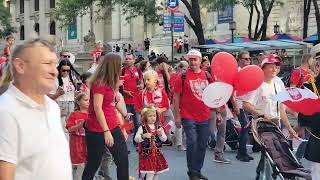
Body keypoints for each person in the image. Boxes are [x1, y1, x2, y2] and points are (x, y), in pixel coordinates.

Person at [0, 38, 72, 179]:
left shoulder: (52, 107)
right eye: (47, 63)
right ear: (20, 66)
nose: (55, 71)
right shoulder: (5, 112)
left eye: (55, 64)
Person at [242, 55, 298, 179]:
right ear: (263, 68)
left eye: (277, 67)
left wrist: (289, 128)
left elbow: (281, 108)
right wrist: (259, 113)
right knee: (270, 154)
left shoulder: (278, 84)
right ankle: (266, 176)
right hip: (261, 124)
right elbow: (246, 104)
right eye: (271, 67)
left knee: (271, 154)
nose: (274, 70)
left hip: (275, 124)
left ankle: (260, 174)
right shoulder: (257, 84)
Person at [82, 53, 129, 180]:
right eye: (120, 65)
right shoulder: (100, 83)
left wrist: (124, 115)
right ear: (113, 66)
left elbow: (111, 103)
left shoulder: (110, 82)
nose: (122, 67)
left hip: (112, 124)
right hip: (98, 128)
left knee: (123, 158)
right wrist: (106, 131)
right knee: (94, 162)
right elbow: (98, 108)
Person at [173, 49, 212, 180]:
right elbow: (176, 97)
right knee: (192, 142)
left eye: (195, 59)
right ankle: (192, 172)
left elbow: (214, 94)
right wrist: (177, 116)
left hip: (205, 116)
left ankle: (197, 170)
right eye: (190, 59)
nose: (193, 62)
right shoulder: (182, 76)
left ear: (200, 61)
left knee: (202, 144)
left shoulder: (207, 75)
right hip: (188, 115)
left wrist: (218, 112)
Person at [134, 106, 169, 180]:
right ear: (145, 117)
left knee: (156, 173)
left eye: (154, 116)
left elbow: (164, 139)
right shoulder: (142, 128)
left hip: (157, 154)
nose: (153, 118)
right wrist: (143, 136)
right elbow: (136, 139)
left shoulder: (159, 127)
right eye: (150, 116)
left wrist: (160, 134)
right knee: (150, 173)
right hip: (147, 155)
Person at [65, 93, 89, 180]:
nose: (88, 102)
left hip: (88, 146)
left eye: (89, 100)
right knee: (80, 169)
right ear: (78, 102)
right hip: (77, 146)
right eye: (86, 100)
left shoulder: (91, 114)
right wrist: (80, 125)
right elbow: (70, 129)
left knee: (88, 168)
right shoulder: (74, 115)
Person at [122, 53, 143, 145]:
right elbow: (119, 86)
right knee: (125, 123)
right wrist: (126, 92)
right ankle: (123, 143)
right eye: (126, 59)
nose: (128, 60)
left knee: (137, 123)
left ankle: (136, 141)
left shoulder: (138, 70)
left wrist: (141, 86)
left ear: (134, 60)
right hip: (125, 101)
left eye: (130, 59)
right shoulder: (122, 71)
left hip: (136, 101)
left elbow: (142, 82)